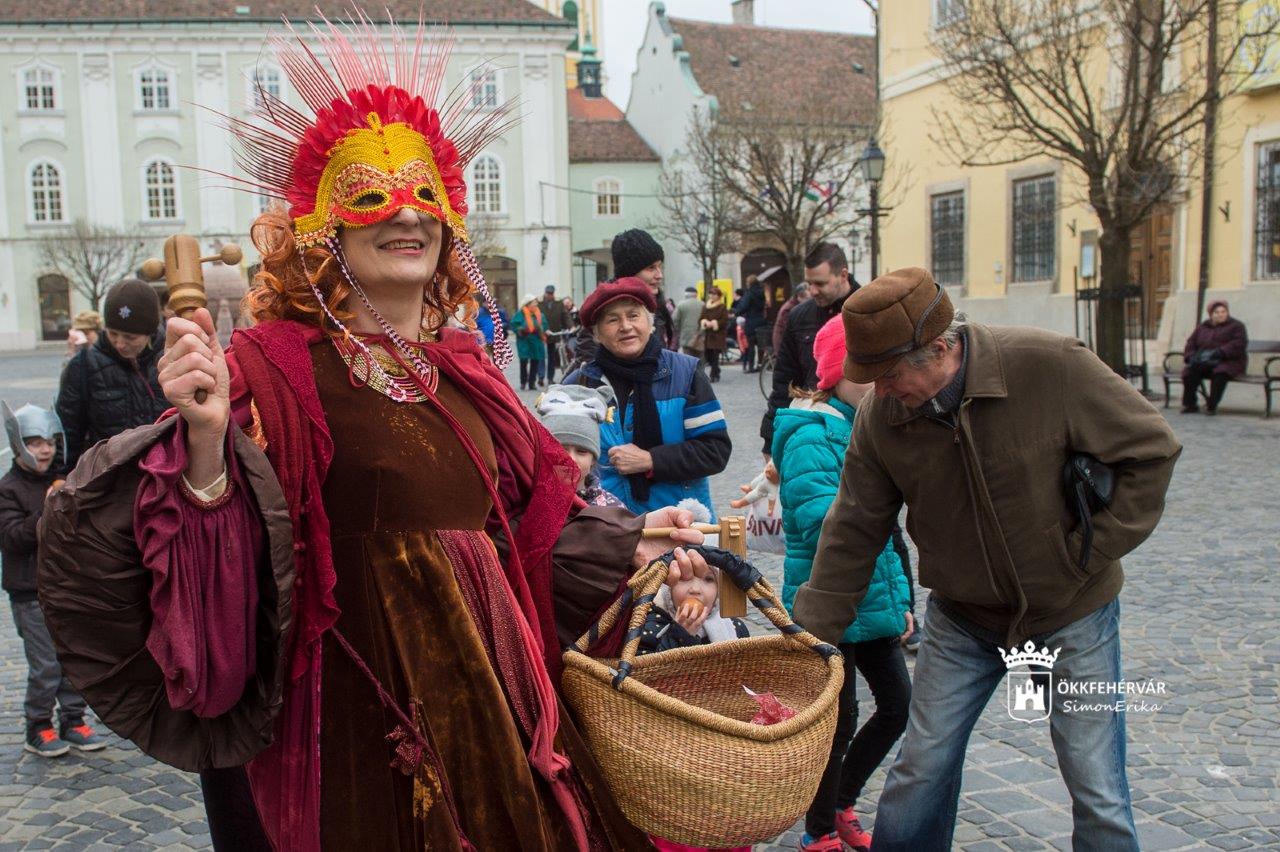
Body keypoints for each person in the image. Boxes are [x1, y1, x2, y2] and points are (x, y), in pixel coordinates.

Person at [37, 15, 714, 850]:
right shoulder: (268, 369)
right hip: (346, 726)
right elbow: (225, 555)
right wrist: (207, 445)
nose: (407, 214)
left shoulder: (469, 371)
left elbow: (528, 528)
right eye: (371, 195)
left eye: (425, 195)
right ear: (326, 226)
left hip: (488, 712)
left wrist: (642, 547)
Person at [793, 267, 1182, 851]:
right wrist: (810, 642)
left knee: (1096, 784)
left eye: (891, 374)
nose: (880, 390)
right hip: (964, 617)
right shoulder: (883, 416)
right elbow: (853, 528)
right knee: (919, 770)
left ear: (941, 349)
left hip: (1073, 610)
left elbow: (1151, 450)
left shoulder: (1050, 365)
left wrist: (1083, 553)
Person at [773, 317, 911, 852]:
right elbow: (819, 519)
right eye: (866, 370)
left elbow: (889, 529)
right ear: (837, 374)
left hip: (874, 598)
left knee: (898, 706)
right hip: (826, 597)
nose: (880, 382)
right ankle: (819, 832)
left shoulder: (870, 426)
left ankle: (841, 801)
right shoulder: (811, 434)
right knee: (839, 719)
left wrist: (903, 599)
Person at [564, 278, 731, 519]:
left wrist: (651, 460)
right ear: (597, 333)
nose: (625, 326)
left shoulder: (685, 374)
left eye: (633, 316)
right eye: (613, 319)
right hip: (604, 532)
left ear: (650, 322)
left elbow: (715, 450)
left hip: (680, 527)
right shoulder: (579, 385)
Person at [1, 402, 105, 758]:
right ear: (18, 443)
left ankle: (73, 720)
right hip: (30, 592)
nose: (43, 449)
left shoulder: (60, 479)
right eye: (34, 442)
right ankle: (38, 726)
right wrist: (46, 509)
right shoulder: (9, 488)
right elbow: (13, 536)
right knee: (45, 664)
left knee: (72, 656)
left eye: (48, 441)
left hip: (65, 588)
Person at [55, 278, 168, 471]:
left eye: (130, 337)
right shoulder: (84, 366)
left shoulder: (170, 359)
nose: (120, 343)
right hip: (108, 479)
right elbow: (68, 429)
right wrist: (60, 475)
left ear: (150, 332)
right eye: (113, 333)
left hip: (164, 475)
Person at [536, 383, 625, 509]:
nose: (571, 459)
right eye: (561, 449)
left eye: (581, 451)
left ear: (593, 459)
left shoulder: (611, 509)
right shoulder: (527, 502)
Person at [1180, 300, 1248, 414]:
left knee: (1220, 372)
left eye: (1223, 312)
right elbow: (1191, 342)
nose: (1221, 314)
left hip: (1230, 361)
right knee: (1190, 372)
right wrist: (1190, 356)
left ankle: (1211, 405)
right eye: (1217, 312)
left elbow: (1239, 344)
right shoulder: (1203, 327)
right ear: (1211, 314)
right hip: (1205, 360)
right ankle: (1190, 404)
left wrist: (1221, 352)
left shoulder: (1237, 326)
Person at [612, 228, 675, 350]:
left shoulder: (658, 306)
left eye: (660, 267)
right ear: (630, 272)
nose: (659, 275)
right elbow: (589, 357)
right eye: (651, 268)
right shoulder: (603, 310)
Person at [512, 292, 549, 390]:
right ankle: (523, 382)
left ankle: (532, 383)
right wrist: (521, 329)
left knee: (535, 361)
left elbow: (544, 325)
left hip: (536, 341)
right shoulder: (520, 314)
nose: (536, 304)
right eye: (534, 302)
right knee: (523, 361)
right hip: (524, 341)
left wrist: (541, 329)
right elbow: (514, 324)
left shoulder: (539, 314)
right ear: (528, 304)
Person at [734, 275, 766, 372]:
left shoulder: (749, 293)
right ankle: (760, 365)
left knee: (751, 345)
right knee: (760, 345)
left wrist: (736, 312)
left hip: (751, 321)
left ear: (749, 283)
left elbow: (743, 307)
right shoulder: (762, 293)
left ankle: (751, 366)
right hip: (761, 320)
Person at [540, 284, 570, 383]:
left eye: (551, 293)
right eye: (548, 293)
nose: (550, 295)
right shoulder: (539, 303)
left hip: (553, 334)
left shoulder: (559, 303)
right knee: (541, 357)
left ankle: (550, 378)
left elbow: (565, 316)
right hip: (541, 334)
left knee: (552, 358)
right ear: (545, 293)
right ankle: (540, 377)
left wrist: (571, 326)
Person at [700, 287, 729, 383]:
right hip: (708, 335)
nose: (711, 296)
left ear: (718, 296)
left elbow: (724, 320)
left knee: (715, 355)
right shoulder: (706, 306)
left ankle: (713, 375)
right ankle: (716, 370)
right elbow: (701, 318)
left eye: (714, 294)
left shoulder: (722, 306)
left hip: (718, 335)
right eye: (710, 294)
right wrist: (704, 322)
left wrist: (714, 323)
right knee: (708, 356)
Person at [772, 283, 809, 356]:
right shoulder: (789, 309)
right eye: (807, 299)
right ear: (799, 296)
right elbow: (791, 328)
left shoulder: (795, 306)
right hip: (783, 344)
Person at [674, 285, 707, 366]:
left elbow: (675, 320)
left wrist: (678, 330)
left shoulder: (681, 305)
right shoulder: (703, 304)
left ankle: (690, 376)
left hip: (686, 336)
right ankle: (701, 376)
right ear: (696, 294)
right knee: (700, 358)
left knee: (688, 359)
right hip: (701, 335)